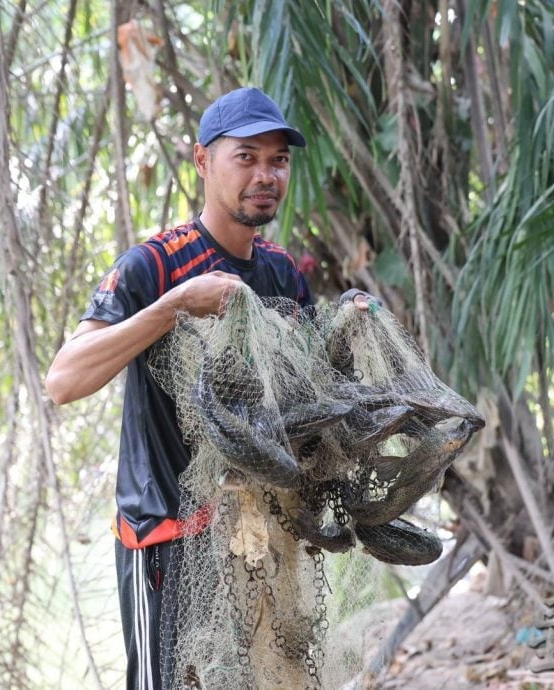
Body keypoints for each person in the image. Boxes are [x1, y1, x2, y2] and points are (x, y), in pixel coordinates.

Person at [45, 86, 376, 690]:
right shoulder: (154, 266)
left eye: (277, 160)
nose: (265, 174)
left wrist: (344, 331)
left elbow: (299, 404)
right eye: (245, 157)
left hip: (258, 544)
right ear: (202, 161)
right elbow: (64, 379)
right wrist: (172, 306)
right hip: (167, 541)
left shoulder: (281, 273)